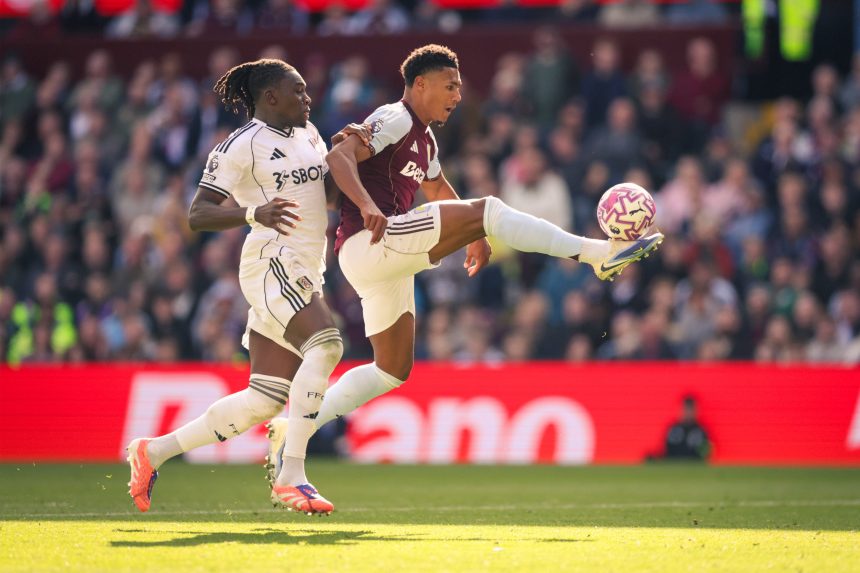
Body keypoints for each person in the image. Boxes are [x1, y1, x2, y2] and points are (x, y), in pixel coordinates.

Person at [267, 45, 663, 491]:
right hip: (370, 240)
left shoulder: (426, 139)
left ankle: (295, 428)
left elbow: (437, 186)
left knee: (391, 369)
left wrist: (474, 235)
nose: (457, 95)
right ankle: (597, 253)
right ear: (420, 84)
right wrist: (365, 205)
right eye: (449, 85)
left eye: (459, 87)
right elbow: (338, 157)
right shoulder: (395, 117)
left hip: (382, 260)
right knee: (489, 207)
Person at [126, 58, 369, 516]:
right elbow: (198, 214)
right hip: (271, 261)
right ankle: (291, 474)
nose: (307, 98)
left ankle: (152, 452)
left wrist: (344, 156)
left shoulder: (311, 133)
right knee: (328, 345)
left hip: (305, 266)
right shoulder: (239, 147)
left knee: (264, 399)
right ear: (270, 97)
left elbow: (328, 199)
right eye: (297, 91)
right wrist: (253, 212)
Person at [664, 396, 710, 460]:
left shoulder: (701, 431)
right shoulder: (674, 429)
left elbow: (705, 452)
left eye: (690, 409)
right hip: (675, 465)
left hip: (694, 466)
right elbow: (667, 450)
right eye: (686, 409)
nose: (688, 412)